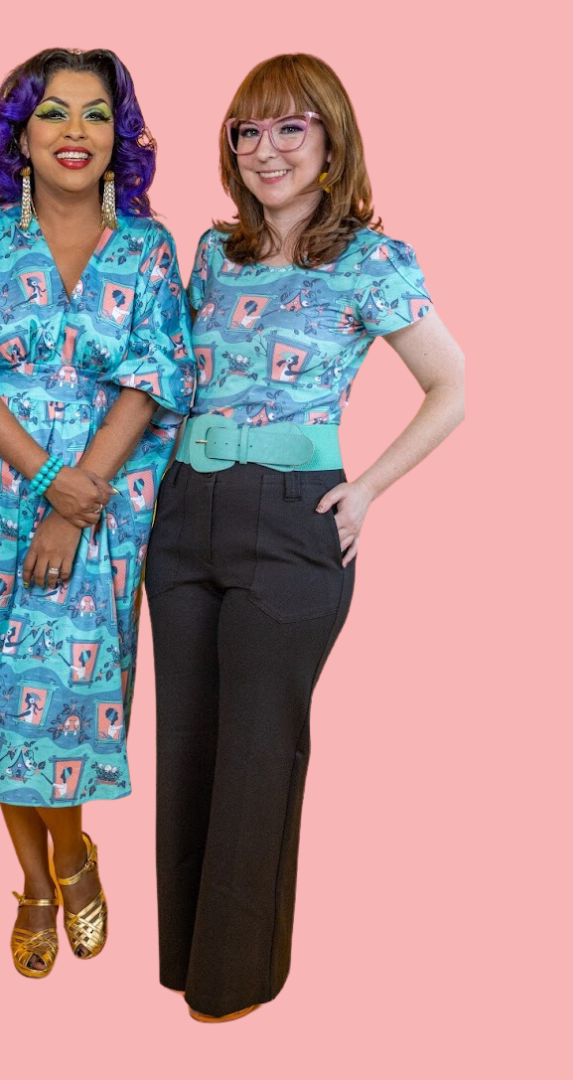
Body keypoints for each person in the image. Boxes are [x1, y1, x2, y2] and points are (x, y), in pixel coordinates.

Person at [145, 54, 465, 1022]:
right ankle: (184, 959)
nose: (266, 149)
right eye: (248, 131)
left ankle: (234, 983)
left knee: (257, 746)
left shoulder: (372, 260)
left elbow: (450, 386)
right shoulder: (212, 252)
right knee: (188, 741)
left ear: (332, 142)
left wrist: (366, 489)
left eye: (291, 129)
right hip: (184, 515)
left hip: (293, 523)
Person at [0, 48, 194, 980]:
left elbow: (157, 376)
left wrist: (76, 498)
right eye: (52, 114)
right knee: (1, 703)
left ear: (119, 135)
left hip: (101, 505)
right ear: (21, 137)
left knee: (67, 707)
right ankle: (42, 883)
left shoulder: (148, 249)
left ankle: (72, 856)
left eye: (94, 114)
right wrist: (46, 480)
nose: (74, 132)